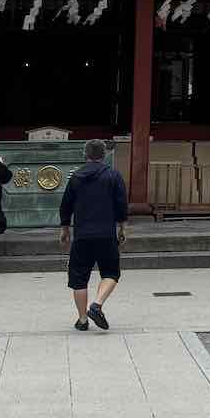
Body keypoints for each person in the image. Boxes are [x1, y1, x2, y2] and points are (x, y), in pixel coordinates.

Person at [59, 140, 127, 331]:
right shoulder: (113, 175)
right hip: (106, 234)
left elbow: (66, 205)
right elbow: (121, 204)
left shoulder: (75, 177)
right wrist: (122, 227)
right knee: (111, 273)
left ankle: (82, 320)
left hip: (82, 235)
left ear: (85, 154)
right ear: (104, 155)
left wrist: (65, 228)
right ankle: (97, 305)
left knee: (79, 278)